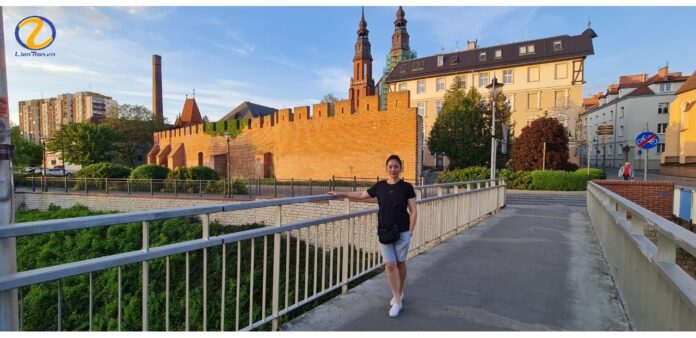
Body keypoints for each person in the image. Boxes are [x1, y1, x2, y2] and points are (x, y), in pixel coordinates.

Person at [327, 154, 417, 317]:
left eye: (396, 166)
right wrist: (341, 193)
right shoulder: (380, 186)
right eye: (390, 166)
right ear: (386, 168)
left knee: (400, 263)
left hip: (402, 232)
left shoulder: (407, 187)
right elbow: (362, 195)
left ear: (400, 168)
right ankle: (397, 299)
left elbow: (413, 211)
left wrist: (410, 232)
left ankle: (399, 291)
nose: (393, 169)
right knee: (390, 265)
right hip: (384, 232)